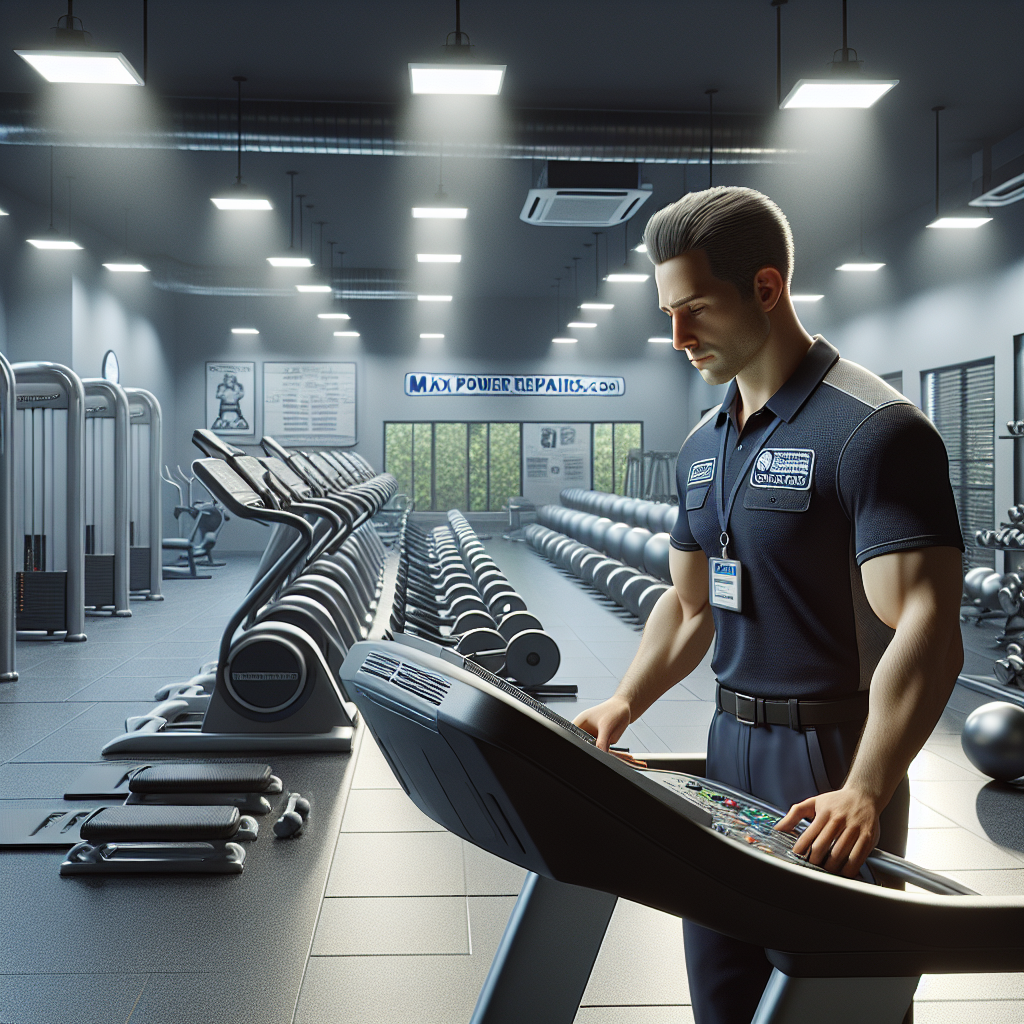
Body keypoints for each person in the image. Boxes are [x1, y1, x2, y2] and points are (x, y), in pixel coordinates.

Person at [574, 186, 965, 1024]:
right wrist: (624, 702)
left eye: (695, 310)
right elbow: (688, 607)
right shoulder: (703, 444)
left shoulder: (874, 431)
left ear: (765, 288)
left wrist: (867, 784)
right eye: (667, 314)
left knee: (832, 998)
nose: (677, 337)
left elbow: (927, 627)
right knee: (723, 992)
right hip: (727, 744)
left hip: (829, 756)